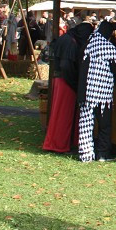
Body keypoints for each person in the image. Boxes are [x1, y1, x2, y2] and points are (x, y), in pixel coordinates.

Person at [42, 22, 94, 153]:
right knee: (63, 114)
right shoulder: (70, 42)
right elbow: (66, 66)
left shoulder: (67, 38)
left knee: (62, 113)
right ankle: (58, 144)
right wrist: (74, 83)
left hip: (61, 80)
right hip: (65, 81)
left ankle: (61, 143)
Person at [76, 20, 116, 162]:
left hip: (87, 92)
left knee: (86, 124)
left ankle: (85, 154)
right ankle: (102, 154)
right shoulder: (109, 48)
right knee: (104, 126)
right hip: (103, 95)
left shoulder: (88, 44)